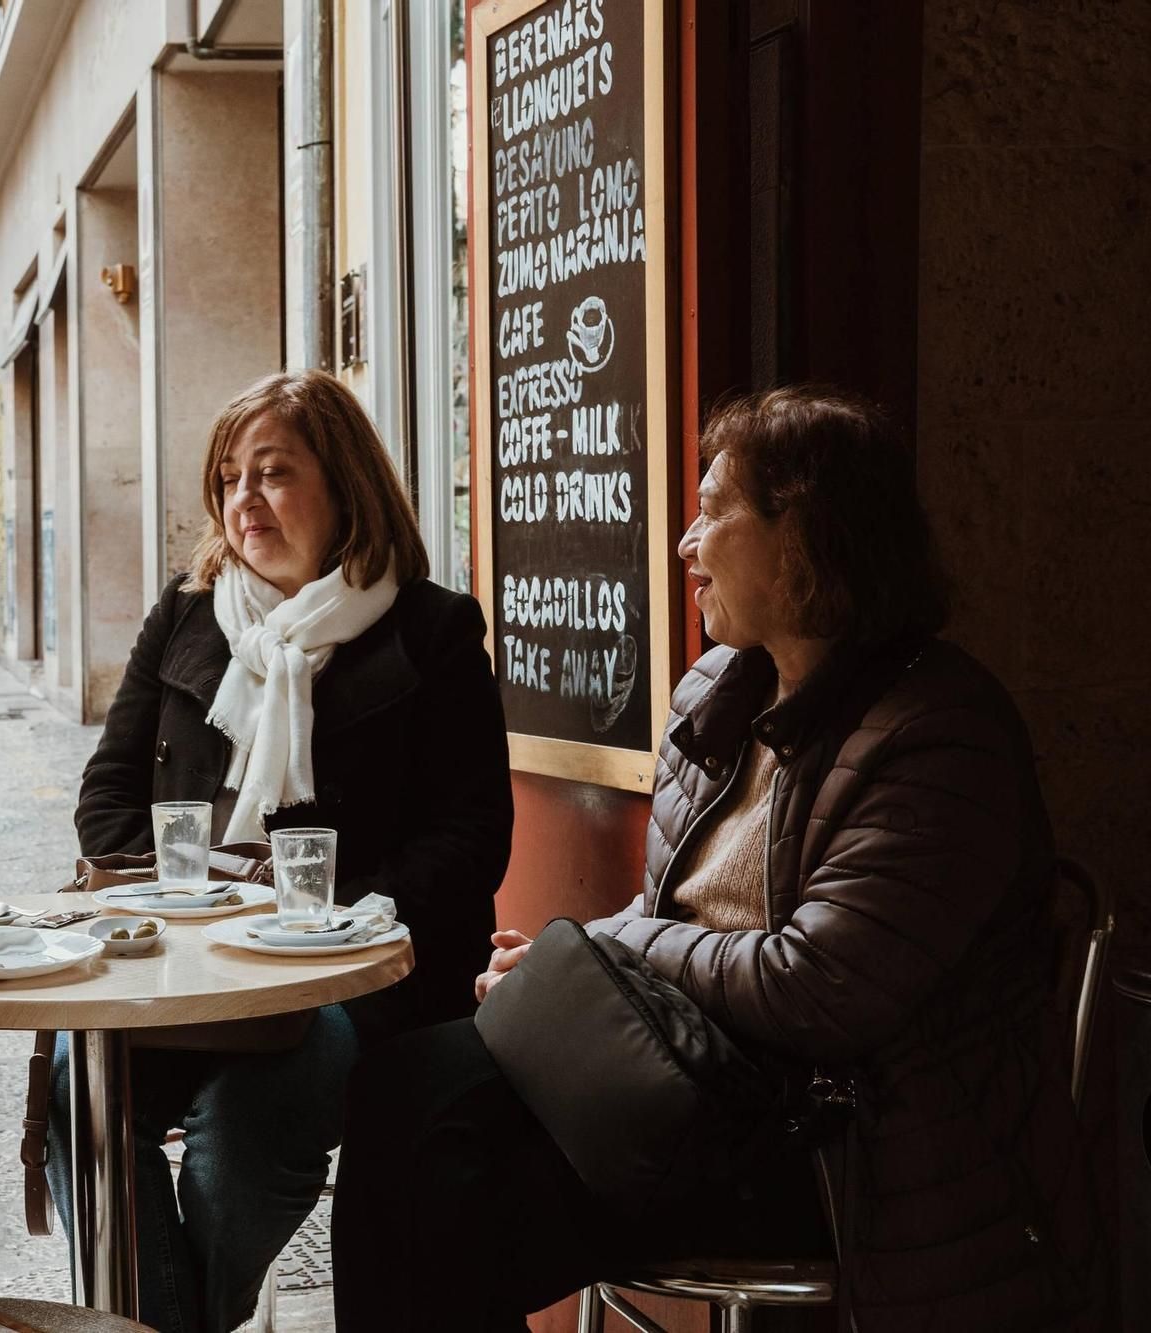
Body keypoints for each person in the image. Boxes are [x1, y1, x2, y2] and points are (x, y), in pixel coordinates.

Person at [331, 387, 1105, 1332]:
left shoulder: (942, 736)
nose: (687, 544)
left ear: (806, 534)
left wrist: (612, 949)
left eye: (714, 511)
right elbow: (670, 911)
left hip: (844, 1142)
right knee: (395, 1091)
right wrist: (564, 969)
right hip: (697, 1078)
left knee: (449, 1191)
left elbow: (816, 986)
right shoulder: (721, 691)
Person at [60, 370, 515, 1333]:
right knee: (76, 1079)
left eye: (273, 472)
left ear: (345, 485)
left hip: (349, 978)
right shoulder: (186, 617)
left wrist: (336, 923)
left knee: (249, 1121)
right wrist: (200, 902)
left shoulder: (432, 632)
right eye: (229, 478)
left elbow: (471, 837)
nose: (243, 501)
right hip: (185, 963)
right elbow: (103, 804)